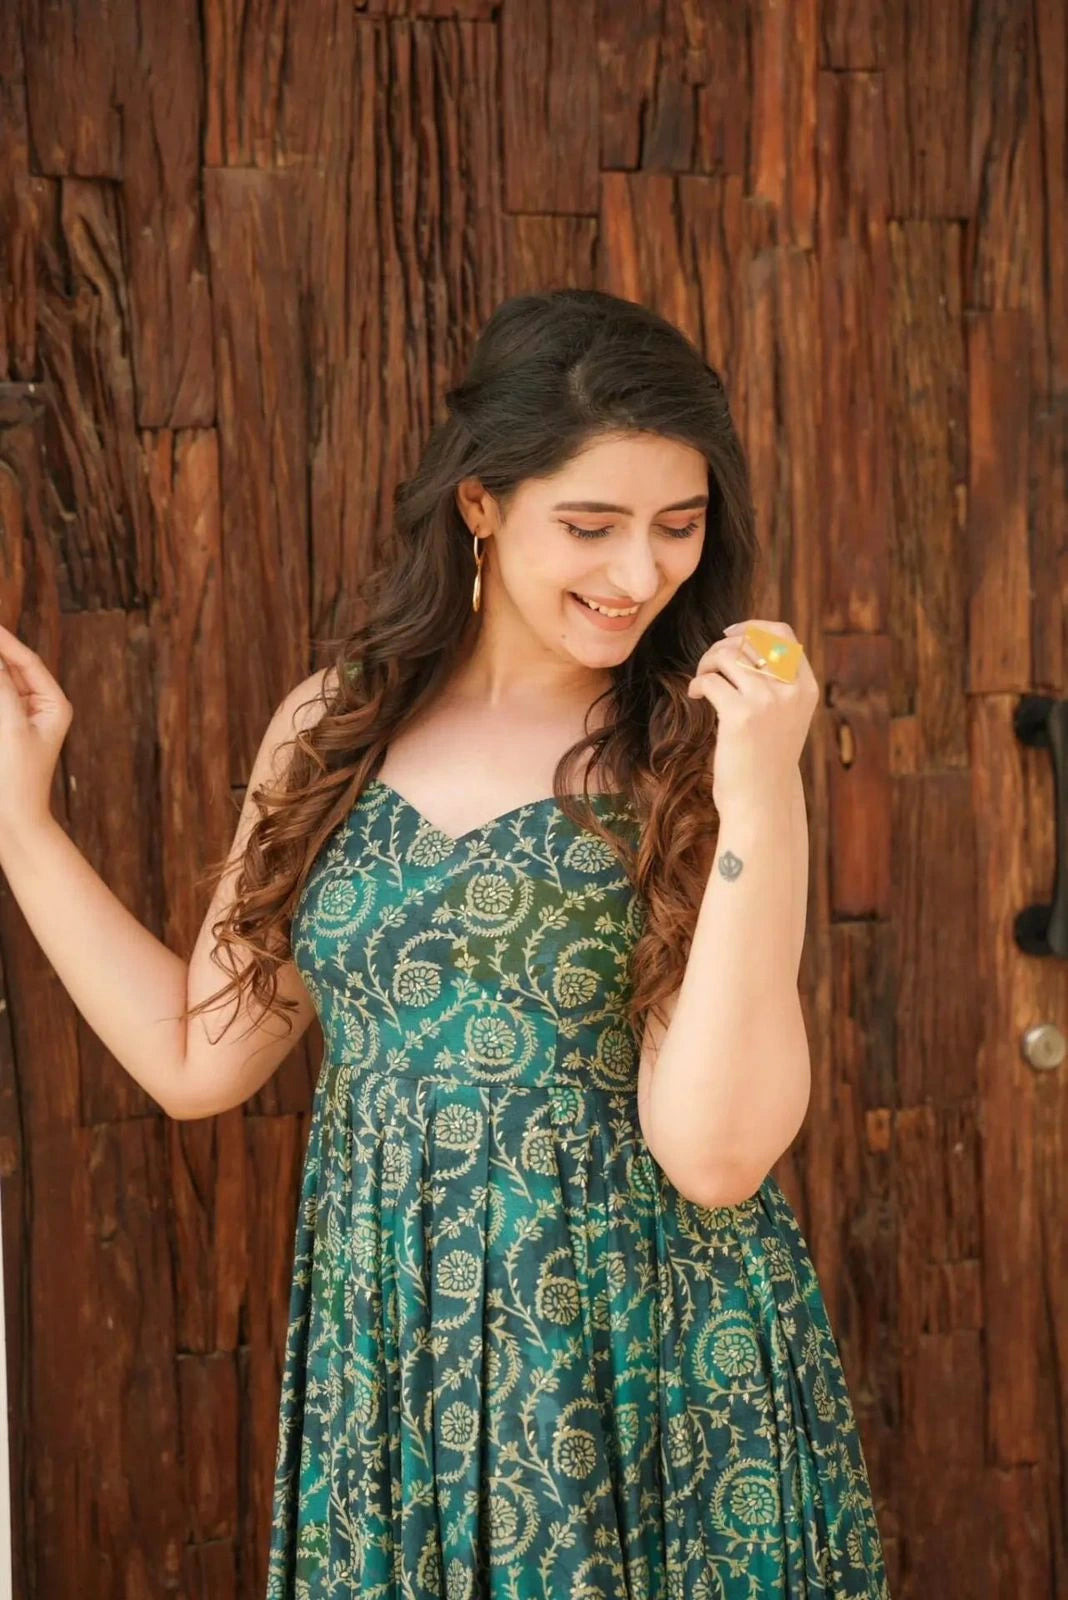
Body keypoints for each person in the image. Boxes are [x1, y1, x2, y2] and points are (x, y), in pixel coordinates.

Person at [0, 288, 890, 1598]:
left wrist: (761, 793)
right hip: (397, 1360)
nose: (639, 573)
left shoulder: (698, 754)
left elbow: (716, 1152)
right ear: (480, 501)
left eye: (678, 526)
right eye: (590, 526)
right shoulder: (336, 726)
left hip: (636, 1367)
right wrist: (20, 822)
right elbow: (203, 1056)